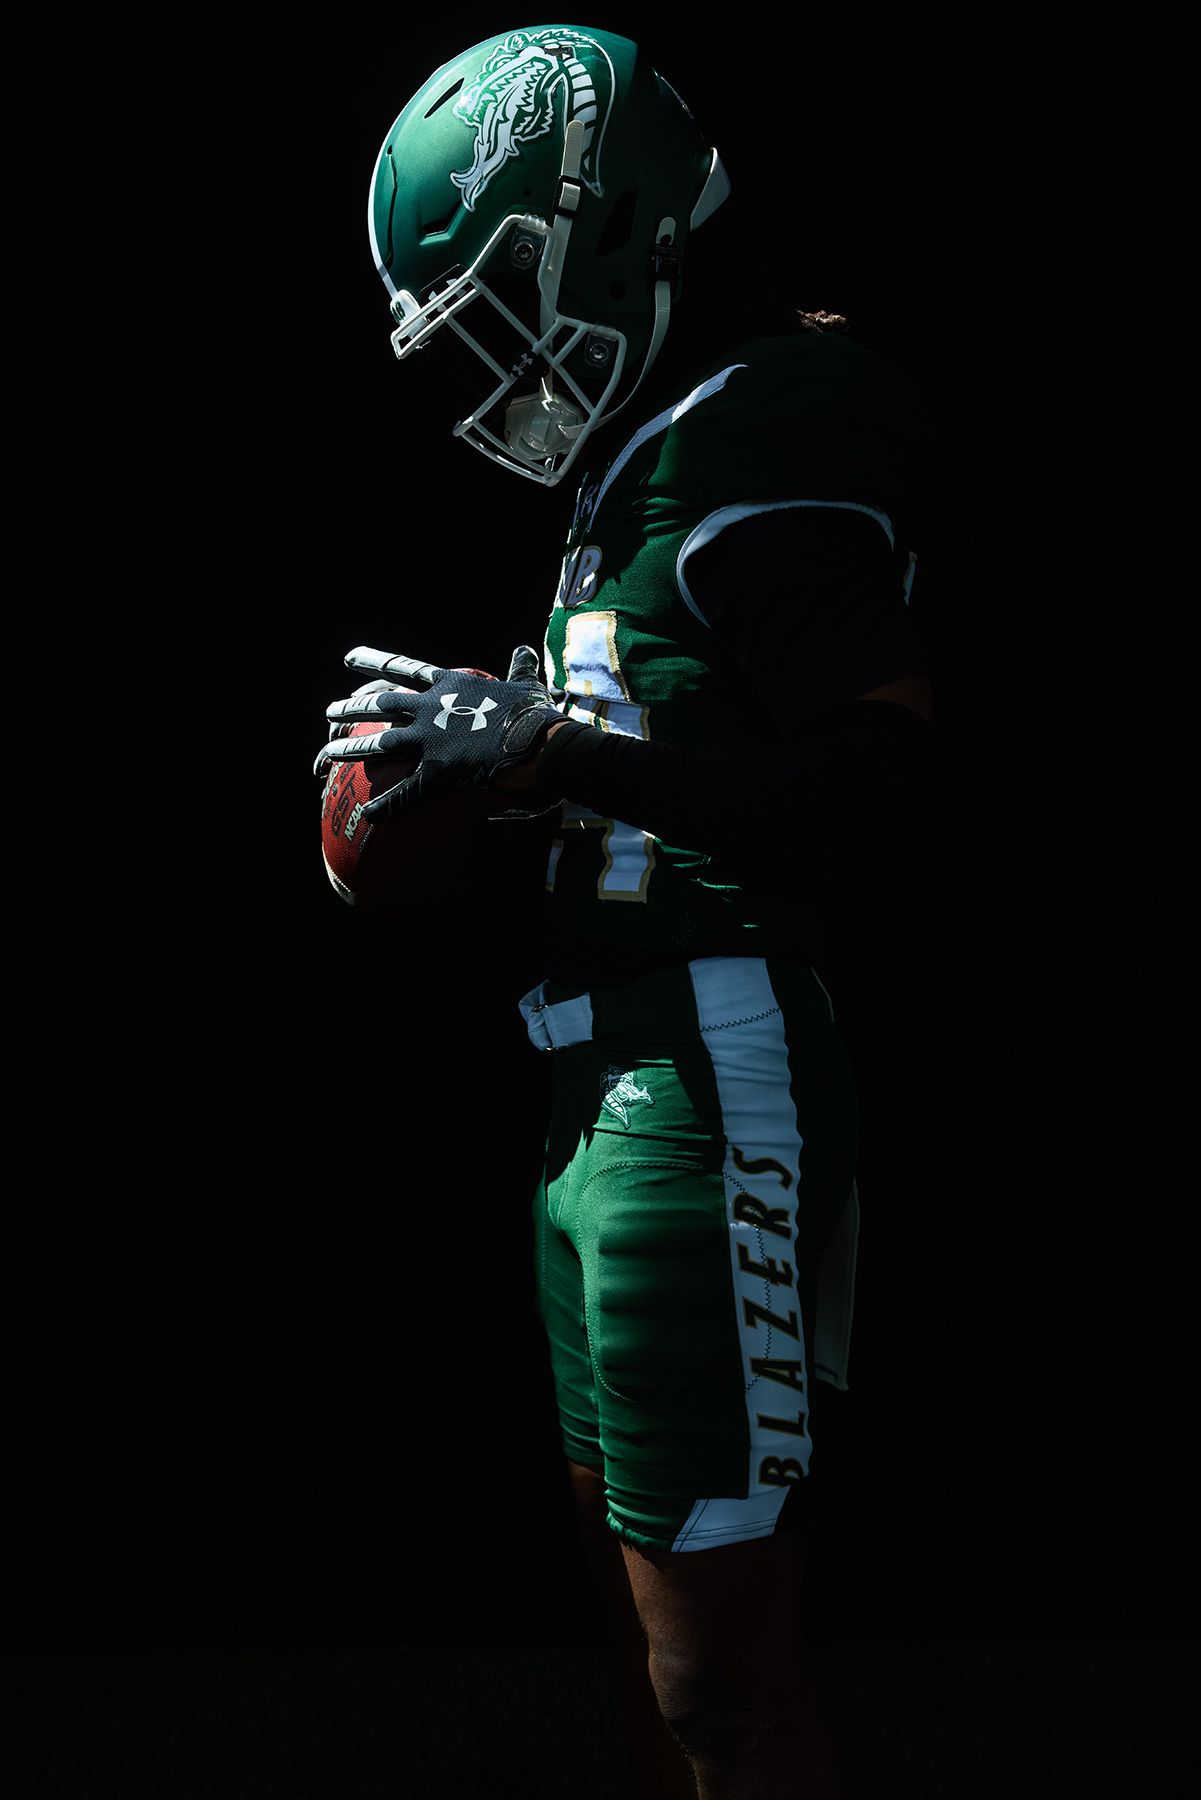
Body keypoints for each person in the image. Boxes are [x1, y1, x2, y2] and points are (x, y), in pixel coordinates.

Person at [316, 24, 935, 1798]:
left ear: (608, 220)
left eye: (505, 292)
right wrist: (489, 770)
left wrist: (558, 753)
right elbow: (666, 747)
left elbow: (873, 793)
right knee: (658, 1658)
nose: (499, 357)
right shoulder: (645, 449)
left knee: (715, 1677)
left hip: (707, 1064)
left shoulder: (772, 414)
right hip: (599, 1078)